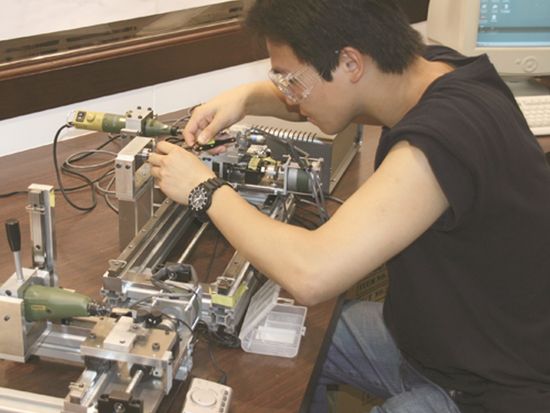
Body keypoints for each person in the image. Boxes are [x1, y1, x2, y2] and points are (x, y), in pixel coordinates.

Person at [148, 0, 550, 412]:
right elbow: (331, 96)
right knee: (263, 331)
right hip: (435, 342)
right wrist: (245, 97)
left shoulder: (442, 140)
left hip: (494, 390)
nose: (289, 95)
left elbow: (311, 273)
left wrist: (203, 188)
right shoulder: (431, 71)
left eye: (291, 80)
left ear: (351, 63)